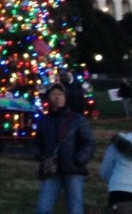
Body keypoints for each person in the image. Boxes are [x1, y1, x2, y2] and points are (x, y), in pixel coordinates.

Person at [35, 82, 96, 214]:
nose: (57, 97)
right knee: (43, 208)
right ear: (48, 98)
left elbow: (89, 142)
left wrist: (79, 159)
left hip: (73, 169)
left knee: (75, 208)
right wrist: (41, 156)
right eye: (54, 95)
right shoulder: (44, 121)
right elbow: (38, 143)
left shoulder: (77, 119)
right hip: (52, 170)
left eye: (60, 94)